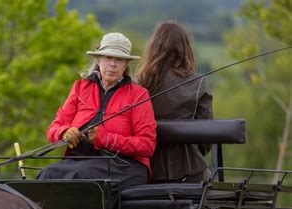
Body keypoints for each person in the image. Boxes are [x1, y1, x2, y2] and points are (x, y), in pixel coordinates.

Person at [37, 32, 156, 189]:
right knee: (46, 174)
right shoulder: (80, 88)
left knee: (78, 176)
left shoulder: (138, 95)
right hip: (79, 162)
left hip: (123, 166)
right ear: (98, 60)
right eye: (107, 58)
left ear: (126, 64)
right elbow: (54, 126)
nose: (112, 64)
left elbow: (147, 145)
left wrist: (105, 139)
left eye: (118, 60)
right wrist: (64, 132)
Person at [136, 20, 213, 183]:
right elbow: (207, 137)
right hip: (192, 172)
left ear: (154, 48)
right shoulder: (198, 84)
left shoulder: (138, 84)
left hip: (146, 172)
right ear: (185, 49)